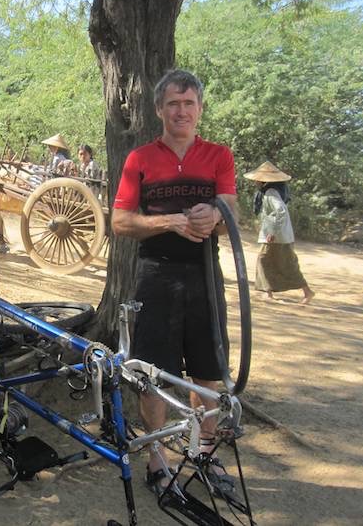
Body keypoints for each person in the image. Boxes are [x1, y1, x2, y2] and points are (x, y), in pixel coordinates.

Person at [111, 69, 238, 498]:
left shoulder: (219, 155)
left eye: (188, 103)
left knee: (209, 376)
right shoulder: (139, 158)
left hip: (205, 275)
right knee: (154, 375)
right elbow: (120, 222)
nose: (181, 111)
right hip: (156, 275)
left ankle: (204, 453)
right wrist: (170, 221)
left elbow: (233, 213)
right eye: (173, 104)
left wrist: (215, 216)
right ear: (159, 110)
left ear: (199, 108)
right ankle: (158, 458)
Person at [244, 161, 315, 304]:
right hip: (280, 236)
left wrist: (273, 232)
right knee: (280, 262)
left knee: (267, 261)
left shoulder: (271, 192)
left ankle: (271, 293)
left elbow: (280, 211)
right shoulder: (271, 192)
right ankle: (274, 292)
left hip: (276, 237)